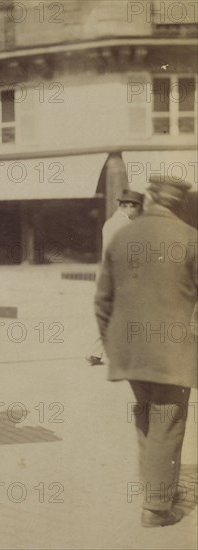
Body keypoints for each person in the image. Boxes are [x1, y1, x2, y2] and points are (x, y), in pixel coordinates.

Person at [94, 176, 197, 527]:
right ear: (180, 204)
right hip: (172, 351)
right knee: (168, 420)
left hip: (129, 349)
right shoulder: (190, 238)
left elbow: (102, 301)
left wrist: (113, 346)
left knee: (146, 415)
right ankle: (156, 507)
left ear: (150, 199)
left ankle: (158, 488)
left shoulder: (122, 235)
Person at [86, 189, 144, 365]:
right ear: (129, 207)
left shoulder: (110, 222)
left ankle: (96, 352)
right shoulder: (125, 225)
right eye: (138, 209)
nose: (138, 213)